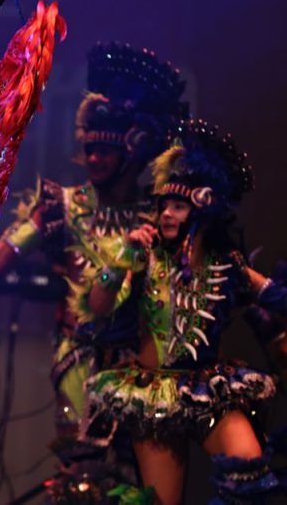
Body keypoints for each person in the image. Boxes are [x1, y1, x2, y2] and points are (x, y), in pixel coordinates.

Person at [0, 43, 188, 497]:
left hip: (141, 365)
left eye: (106, 152)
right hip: (78, 357)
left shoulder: (156, 215)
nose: (95, 159)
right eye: (89, 150)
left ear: (131, 153)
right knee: (83, 469)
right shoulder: (63, 206)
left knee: (134, 477)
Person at [80, 119, 282, 504]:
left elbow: (274, 297)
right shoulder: (144, 256)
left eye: (178, 206)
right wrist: (123, 258)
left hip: (209, 391)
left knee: (248, 471)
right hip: (154, 394)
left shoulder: (228, 265)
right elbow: (97, 306)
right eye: (162, 206)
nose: (166, 214)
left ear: (203, 210)